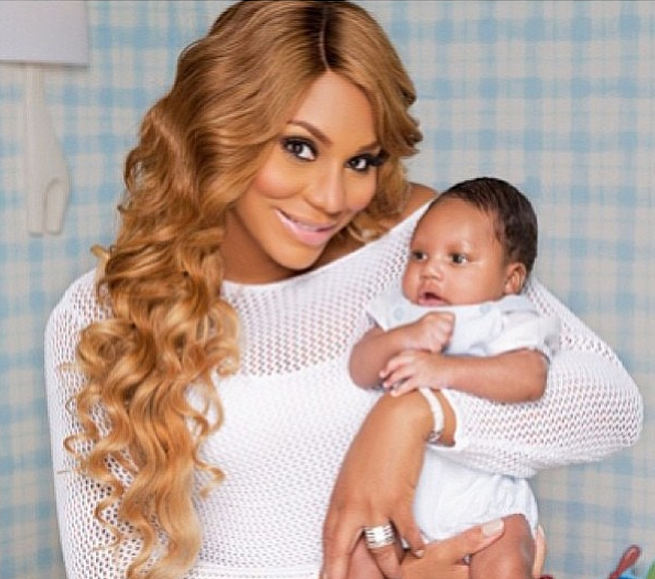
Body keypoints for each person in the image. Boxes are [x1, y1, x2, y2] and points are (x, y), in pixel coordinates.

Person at [42, 2, 642, 579]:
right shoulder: (104, 312)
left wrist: (415, 414)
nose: (332, 198)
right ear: (220, 130)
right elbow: (108, 568)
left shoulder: (420, 247)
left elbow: (610, 407)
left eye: (361, 161)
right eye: (299, 148)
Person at [349, 176, 561, 579]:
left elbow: (530, 377)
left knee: (506, 557)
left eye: (457, 259)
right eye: (419, 255)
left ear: (510, 280)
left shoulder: (507, 317)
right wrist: (402, 337)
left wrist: (444, 370)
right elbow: (360, 367)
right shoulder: (400, 311)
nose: (430, 271)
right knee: (358, 556)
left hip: (485, 504)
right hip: (396, 505)